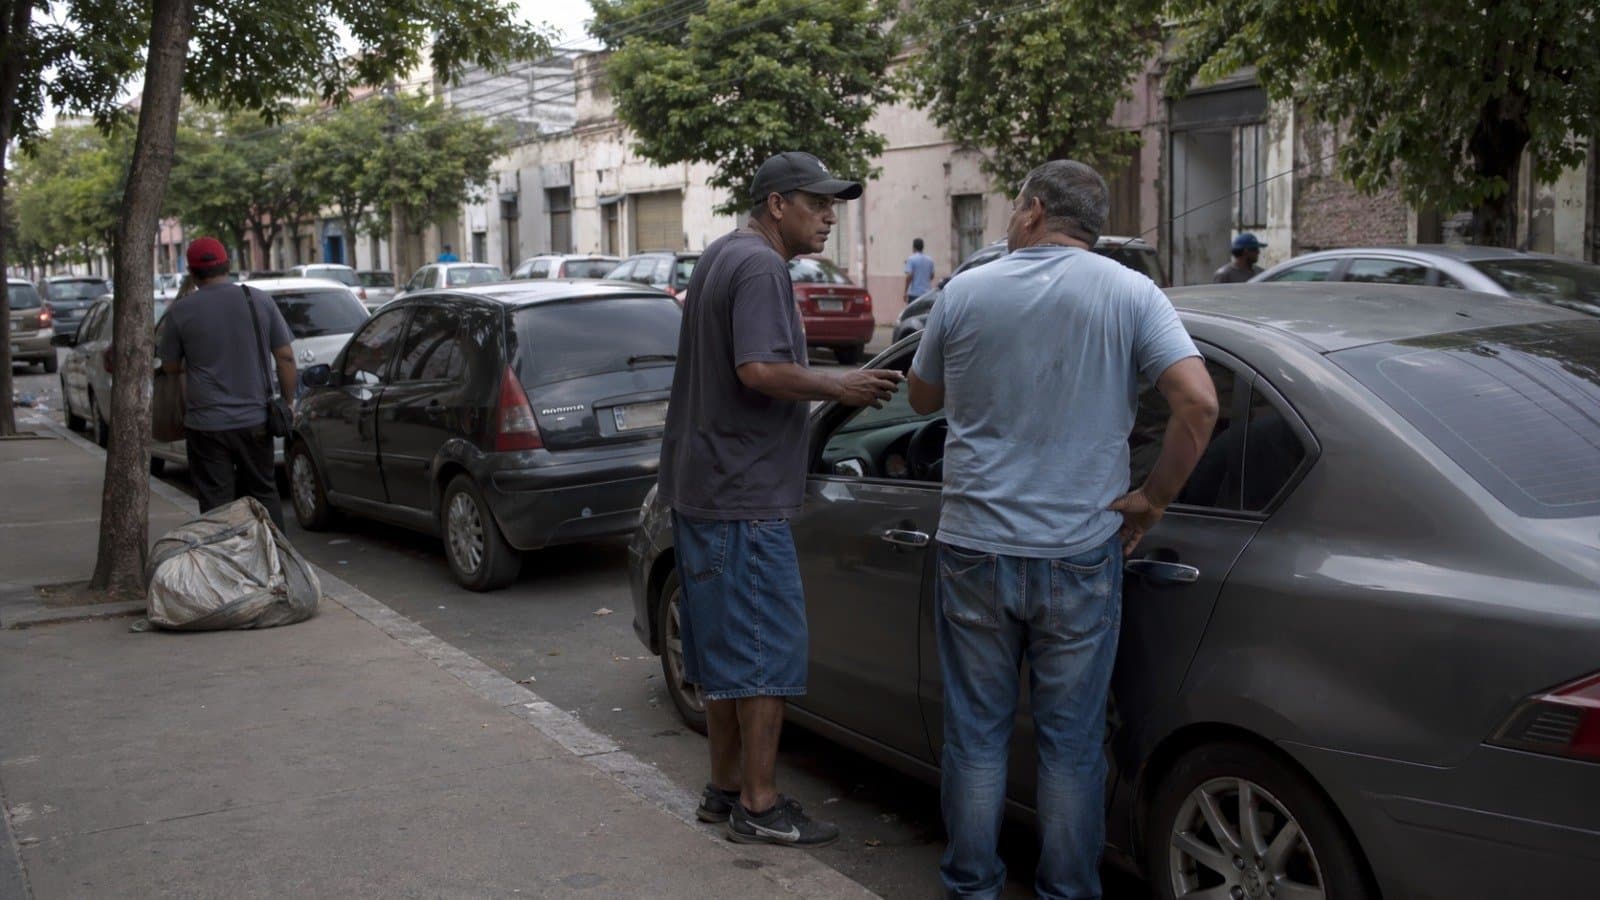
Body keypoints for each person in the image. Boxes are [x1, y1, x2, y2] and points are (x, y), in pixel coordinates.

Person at [907, 160, 1218, 899]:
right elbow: (1199, 406)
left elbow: (920, 398)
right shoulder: (1132, 294)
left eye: (1013, 208)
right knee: (1070, 746)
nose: (1009, 220)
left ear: (1035, 212)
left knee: (976, 738)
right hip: (1079, 553)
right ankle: (1067, 891)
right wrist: (1152, 500)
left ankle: (971, 885)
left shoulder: (966, 290)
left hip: (975, 548)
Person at [658, 151, 903, 848]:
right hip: (742, 493)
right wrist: (842, 386)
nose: (830, 217)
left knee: (728, 657)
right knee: (765, 654)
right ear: (777, 206)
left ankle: (726, 790)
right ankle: (760, 806)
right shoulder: (761, 265)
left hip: (706, 486)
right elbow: (758, 369)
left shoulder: (721, 255)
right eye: (818, 204)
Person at [159, 237, 297, 530]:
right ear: (229, 266)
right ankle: (276, 564)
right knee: (263, 494)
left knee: (216, 505)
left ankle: (225, 569)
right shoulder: (258, 300)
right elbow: (285, 357)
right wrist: (288, 402)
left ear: (192, 273)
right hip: (255, 421)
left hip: (206, 425)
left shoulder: (180, 311)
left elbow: (170, 366)